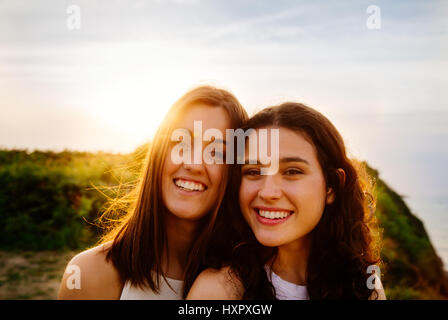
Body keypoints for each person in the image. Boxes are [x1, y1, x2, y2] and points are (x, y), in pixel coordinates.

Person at [58, 86, 248, 299]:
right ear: (158, 153)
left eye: (216, 152)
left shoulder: (252, 282)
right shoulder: (87, 274)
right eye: (180, 142)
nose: (194, 164)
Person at [187, 102, 386, 300]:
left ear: (331, 186)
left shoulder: (364, 284)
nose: (268, 192)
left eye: (292, 171)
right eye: (253, 172)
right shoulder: (218, 291)